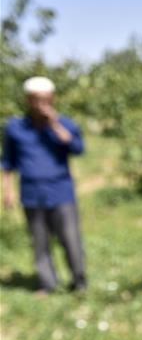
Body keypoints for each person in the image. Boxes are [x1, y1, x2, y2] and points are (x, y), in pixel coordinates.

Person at [1, 76, 87, 293]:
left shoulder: (64, 124)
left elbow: (77, 148)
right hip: (31, 193)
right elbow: (8, 161)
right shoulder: (15, 127)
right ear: (28, 100)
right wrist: (7, 190)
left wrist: (54, 124)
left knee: (70, 239)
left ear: (52, 99)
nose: (41, 104)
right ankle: (47, 283)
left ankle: (79, 282)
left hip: (61, 192)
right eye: (36, 100)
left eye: (45, 99)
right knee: (39, 242)